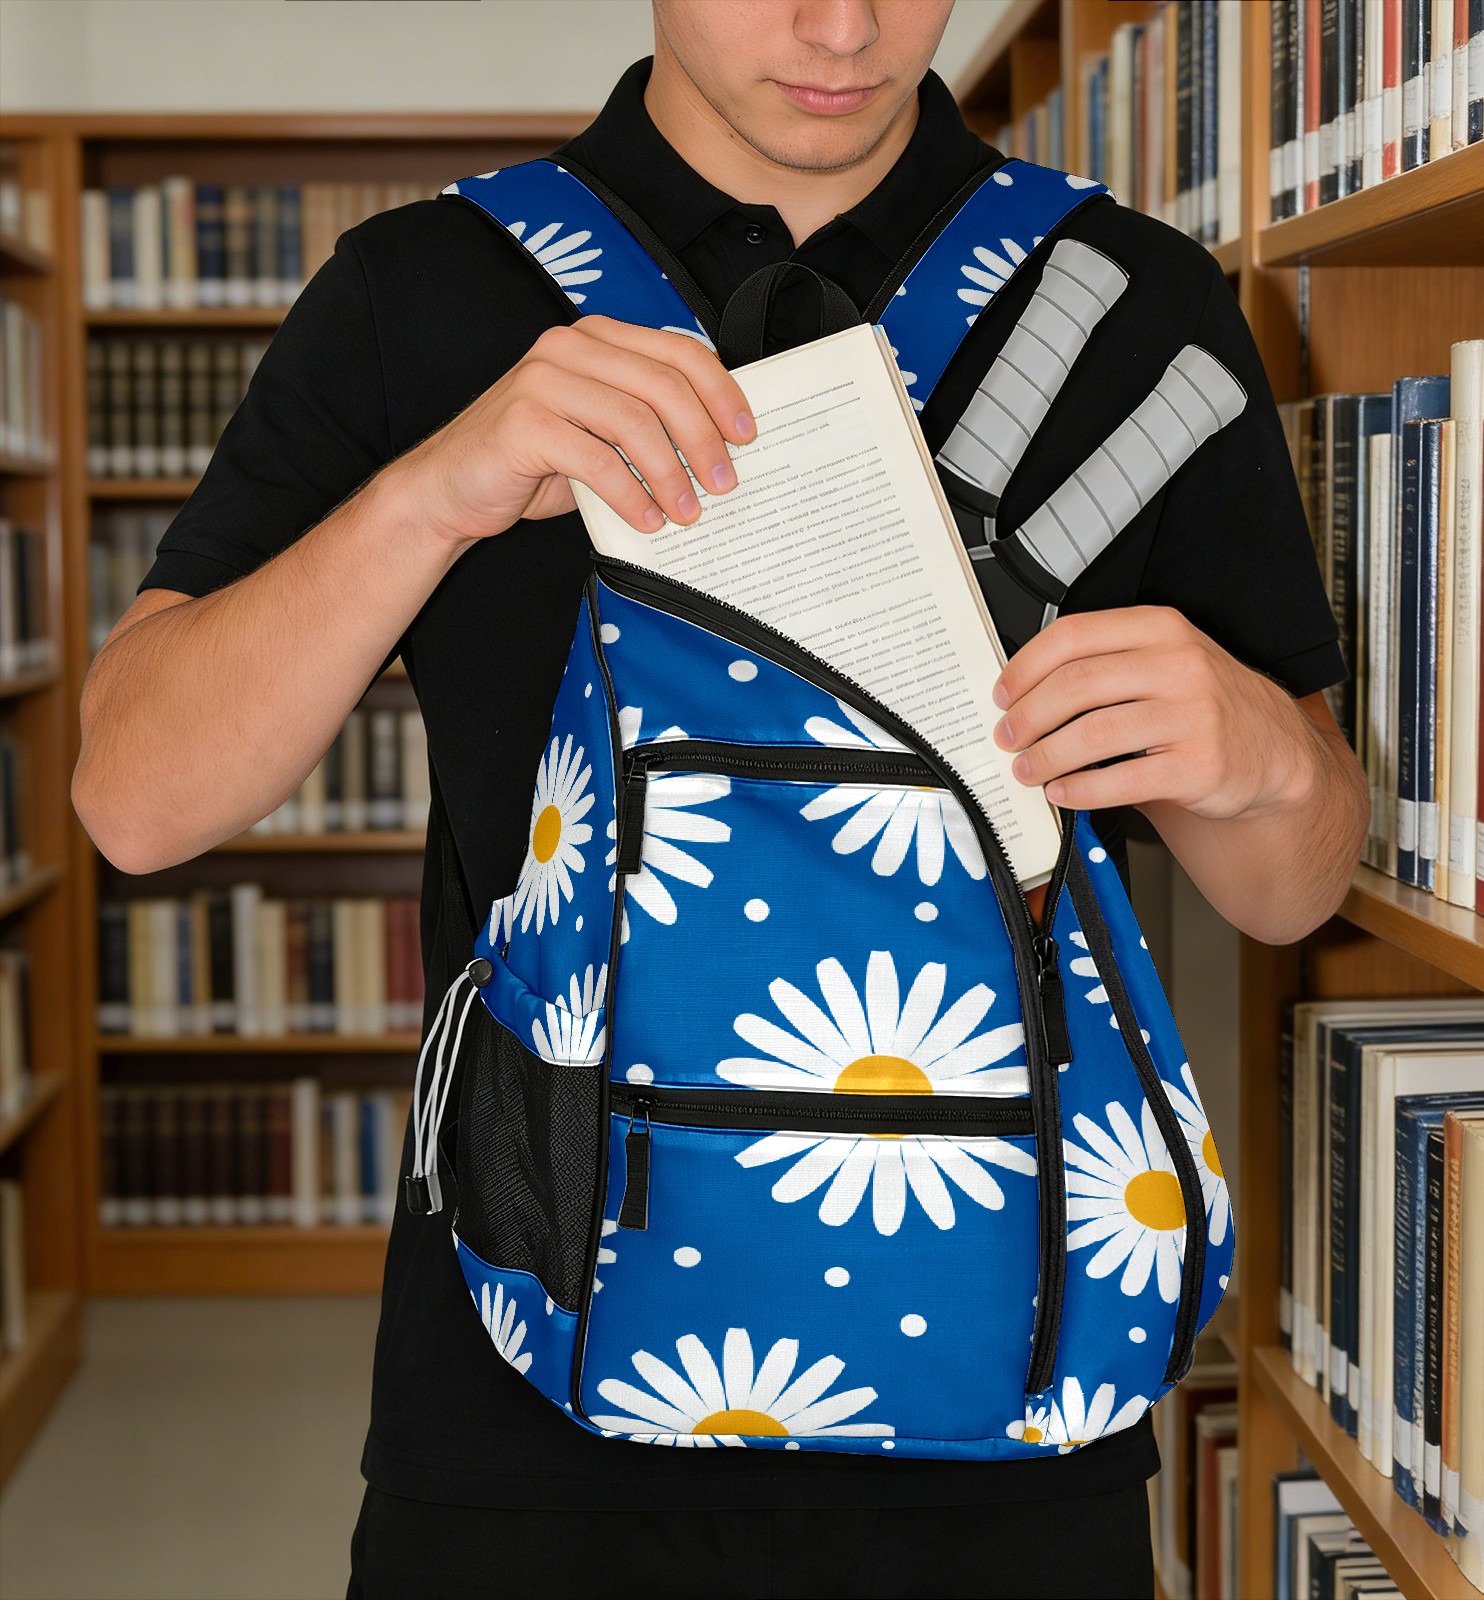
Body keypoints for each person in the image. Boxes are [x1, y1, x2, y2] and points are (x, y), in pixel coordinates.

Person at [70, 2, 1369, 1595]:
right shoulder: (423, 292)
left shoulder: (1132, 304)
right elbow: (135, 799)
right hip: (526, 1422)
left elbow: (1291, 891)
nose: (844, 26)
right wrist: (428, 498)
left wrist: (1265, 754)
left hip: (1015, 1410)